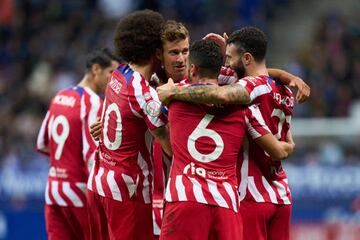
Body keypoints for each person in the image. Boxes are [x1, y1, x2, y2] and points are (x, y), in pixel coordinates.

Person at [157, 26, 303, 240]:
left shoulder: (178, 98)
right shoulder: (261, 101)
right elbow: (279, 149)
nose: (226, 63)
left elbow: (220, 94)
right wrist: (289, 143)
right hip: (271, 194)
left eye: (229, 58)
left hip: (244, 196)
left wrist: (172, 90)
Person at [86, 10, 171, 240]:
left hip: (98, 183)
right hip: (126, 191)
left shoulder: (118, 74)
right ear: (156, 53)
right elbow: (170, 148)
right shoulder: (145, 96)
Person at [36, 48, 119, 240]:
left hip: (54, 190)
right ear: (96, 69)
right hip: (79, 192)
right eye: (110, 74)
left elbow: (42, 143)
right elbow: (91, 156)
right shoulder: (93, 103)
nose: (113, 81)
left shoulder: (60, 96)